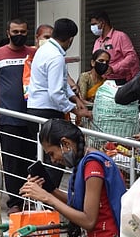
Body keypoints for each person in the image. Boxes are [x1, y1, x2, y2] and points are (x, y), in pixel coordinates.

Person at [26, 18, 92, 189]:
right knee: (57, 159)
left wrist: (76, 100)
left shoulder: (44, 49)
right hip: (47, 112)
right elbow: (56, 92)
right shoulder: (55, 57)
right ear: (70, 39)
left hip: (36, 109)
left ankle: (43, 197)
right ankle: (48, 199)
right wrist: (76, 111)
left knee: (46, 158)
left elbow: (62, 85)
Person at [0, 18, 36, 213]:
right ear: (8, 33)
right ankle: (15, 202)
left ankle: (32, 198)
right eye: (15, 31)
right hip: (8, 119)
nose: (19, 35)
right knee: (11, 162)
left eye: (23, 31)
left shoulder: (34, 53)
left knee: (31, 160)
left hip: (32, 117)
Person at [90, 11, 140, 83]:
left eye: (94, 24)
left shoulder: (120, 37)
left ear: (102, 23)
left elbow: (132, 57)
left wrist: (113, 69)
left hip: (121, 81)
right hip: (102, 82)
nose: (92, 28)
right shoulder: (97, 42)